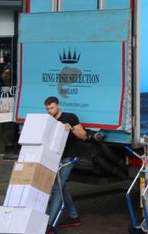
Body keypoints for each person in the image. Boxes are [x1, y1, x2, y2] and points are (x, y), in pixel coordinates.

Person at [44, 96, 96, 230]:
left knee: (57, 188)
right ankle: (74, 217)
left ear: (58, 106)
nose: (50, 111)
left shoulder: (70, 117)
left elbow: (84, 136)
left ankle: (49, 224)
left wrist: (71, 129)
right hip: (54, 158)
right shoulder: (48, 120)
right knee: (62, 187)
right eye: (48, 109)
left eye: (52, 108)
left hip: (68, 158)